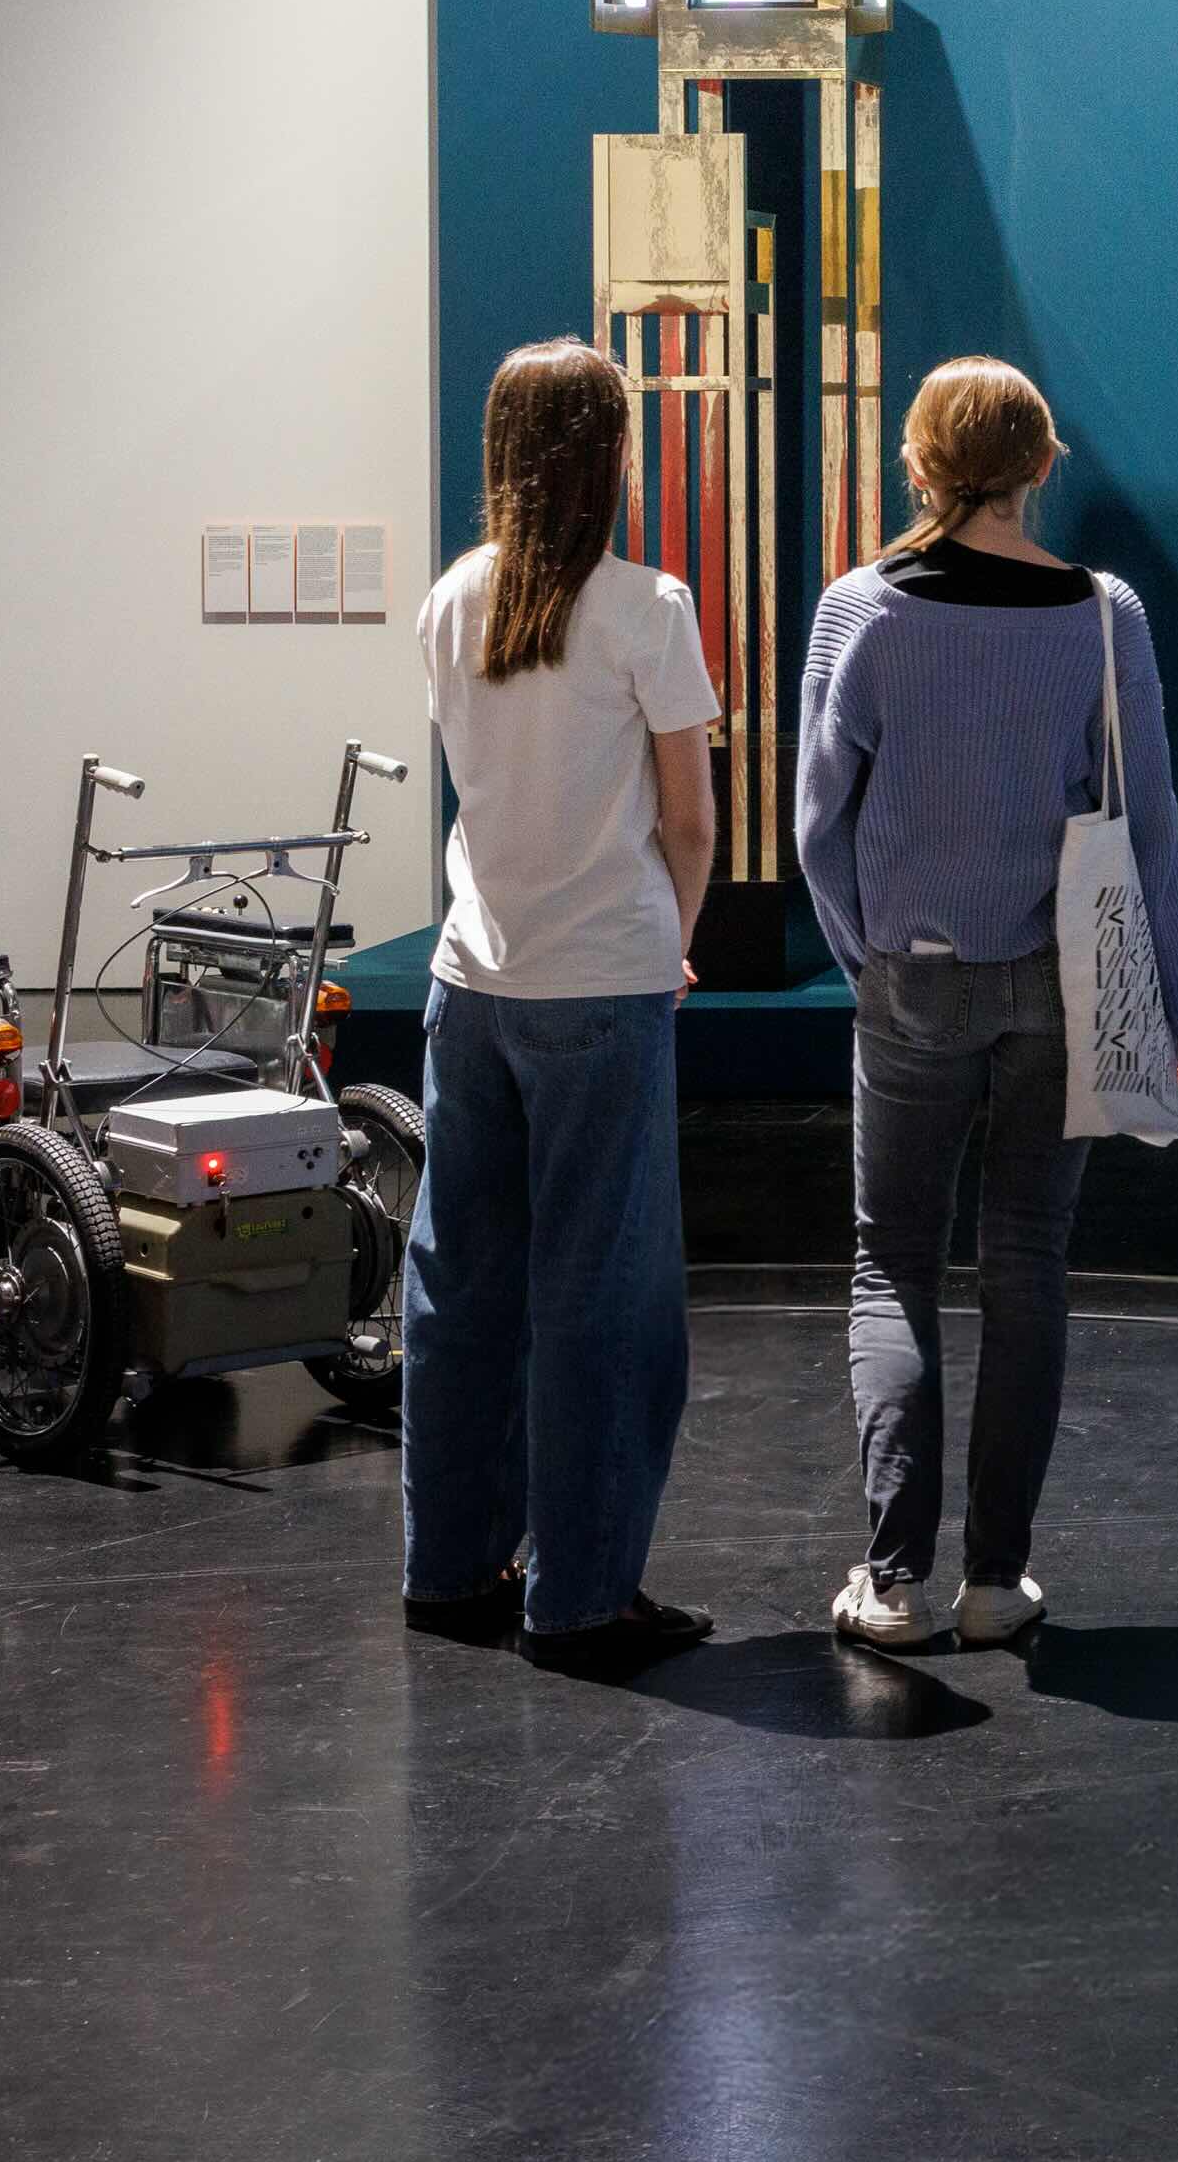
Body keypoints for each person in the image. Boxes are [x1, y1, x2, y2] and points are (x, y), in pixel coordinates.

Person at [796, 356, 1178, 1654]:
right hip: (1063, 979)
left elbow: (816, 826)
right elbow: (1150, 829)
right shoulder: (1103, 612)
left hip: (909, 974)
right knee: (1028, 1257)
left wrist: (867, 954)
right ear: (1041, 464)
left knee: (893, 1261)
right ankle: (997, 1579)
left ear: (918, 466)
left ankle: (893, 1582)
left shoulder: (859, 611)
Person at [400, 337, 724, 1679]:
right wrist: (676, 942)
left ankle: (450, 1564)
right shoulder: (649, 606)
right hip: (602, 984)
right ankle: (581, 1592)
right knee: (603, 1294)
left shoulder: (451, 599)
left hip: (472, 981)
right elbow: (690, 820)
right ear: (612, 454)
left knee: (458, 1282)